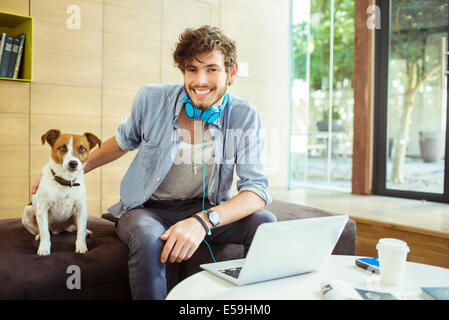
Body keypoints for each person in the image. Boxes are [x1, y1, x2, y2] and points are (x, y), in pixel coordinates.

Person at [32, 25, 276, 299]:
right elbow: (122, 142)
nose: (200, 80)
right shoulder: (152, 99)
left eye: (211, 69)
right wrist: (64, 175)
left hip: (206, 209)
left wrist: (203, 221)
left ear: (231, 73)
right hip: (148, 210)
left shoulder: (245, 117)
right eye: (192, 70)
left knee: (265, 222)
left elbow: (256, 190)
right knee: (148, 239)